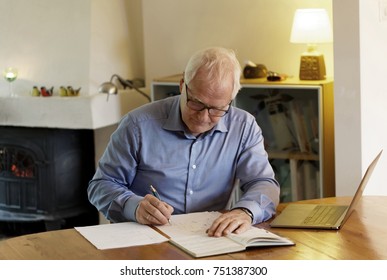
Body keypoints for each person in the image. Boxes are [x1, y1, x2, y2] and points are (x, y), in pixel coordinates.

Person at [88, 47, 280, 237]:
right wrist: (134, 206)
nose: (204, 117)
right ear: (182, 85)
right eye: (196, 103)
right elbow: (100, 185)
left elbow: (263, 182)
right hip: (146, 238)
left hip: (210, 237)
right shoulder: (137, 125)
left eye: (217, 109)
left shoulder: (243, 126)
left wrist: (245, 212)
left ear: (231, 99)